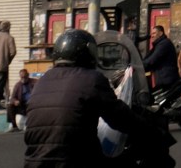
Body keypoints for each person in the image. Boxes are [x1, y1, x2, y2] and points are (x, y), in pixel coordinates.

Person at [25, 29, 145, 168]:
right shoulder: (92, 79)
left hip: (34, 162)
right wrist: (149, 129)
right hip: (74, 161)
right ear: (87, 53)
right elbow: (119, 117)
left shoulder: (43, 81)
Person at [144, 24, 178, 93]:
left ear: (160, 33)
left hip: (166, 80)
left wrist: (140, 67)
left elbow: (152, 59)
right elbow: (148, 58)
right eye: (151, 34)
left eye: (154, 33)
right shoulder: (159, 44)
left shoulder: (164, 44)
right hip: (162, 79)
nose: (152, 36)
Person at [6, 65, 37, 133]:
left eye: (25, 77)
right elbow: (12, 97)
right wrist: (15, 101)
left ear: (28, 75)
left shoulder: (34, 82)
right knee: (10, 106)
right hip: (22, 105)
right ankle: (14, 126)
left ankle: (30, 125)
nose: (23, 78)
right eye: (22, 77)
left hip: (32, 104)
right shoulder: (18, 85)